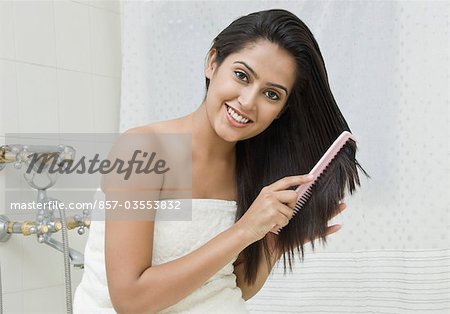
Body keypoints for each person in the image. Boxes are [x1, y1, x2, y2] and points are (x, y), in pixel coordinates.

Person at [74, 8, 365, 314]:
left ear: (281, 110)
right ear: (213, 63)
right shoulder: (142, 150)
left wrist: (270, 246)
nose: (248, 102)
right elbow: (130, 300)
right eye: (242, 76)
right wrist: (245, 230)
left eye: (271, 94)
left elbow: (230, 287)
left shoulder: (253, 170)